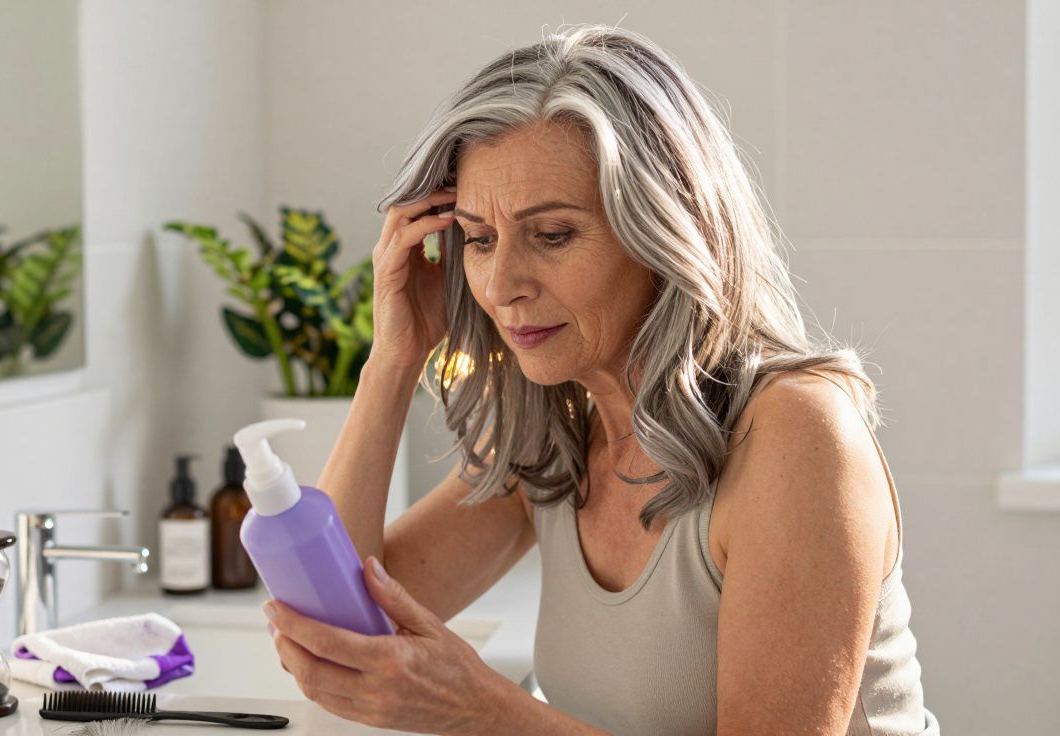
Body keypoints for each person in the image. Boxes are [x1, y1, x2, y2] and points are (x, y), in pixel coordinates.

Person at [261, 24, 938, 735]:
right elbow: (334, 633)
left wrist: (485, 712)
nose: (501, 284)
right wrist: (394, 359)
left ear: (665, 232)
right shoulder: (557, 438)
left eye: (552, 235)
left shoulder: (797, 434)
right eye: (479, 240)